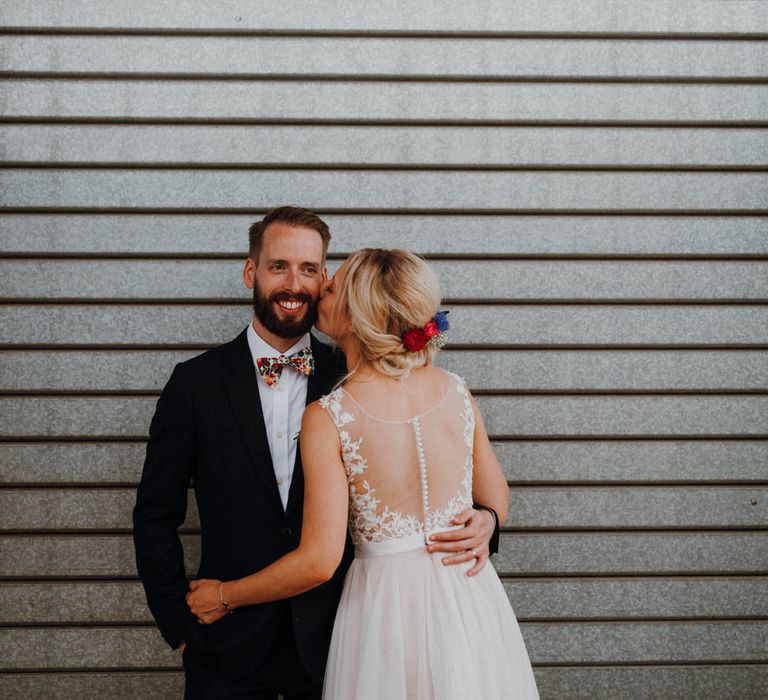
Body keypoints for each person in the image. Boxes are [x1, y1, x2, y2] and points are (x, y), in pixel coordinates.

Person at [133, 208, 500, 699]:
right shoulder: (195, 384)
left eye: (309, 269)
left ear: (326, 278)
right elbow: (155, 513)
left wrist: (489, 519)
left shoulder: (359, 378)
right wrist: (179, 625)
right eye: (278, 266)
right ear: (251, 272)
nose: (294, 283)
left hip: (343, 644)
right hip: (226, 648)